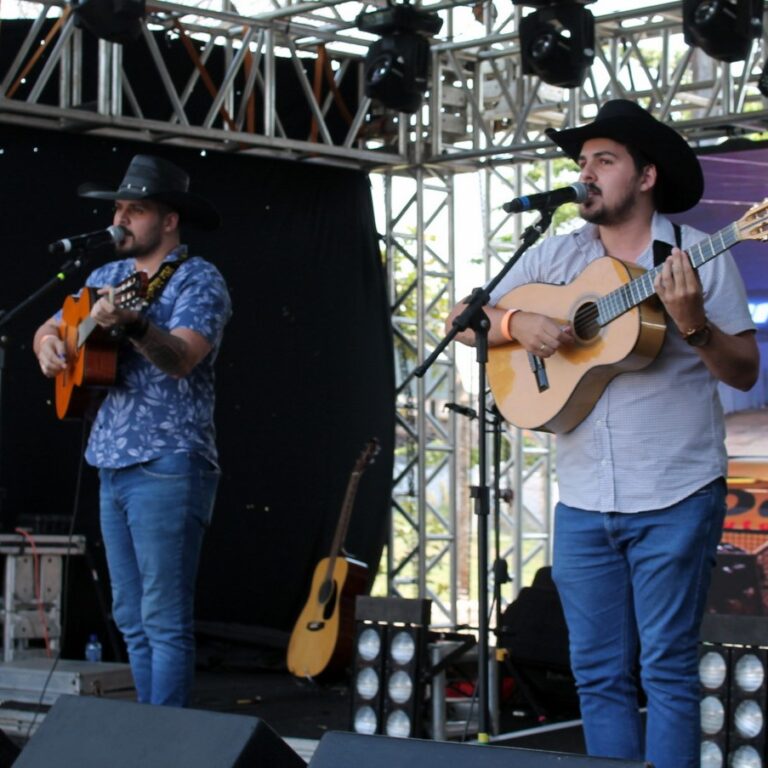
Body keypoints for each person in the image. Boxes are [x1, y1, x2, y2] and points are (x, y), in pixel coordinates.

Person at [446, 100, 759, 768]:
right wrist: (513, 326)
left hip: (675, 490)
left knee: (668, 673)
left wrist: (694, 324)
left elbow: (743, 371)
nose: (586, 173)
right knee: (596, 674)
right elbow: (463, 315)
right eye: (582, 162)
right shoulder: (556, 256)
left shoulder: (697, 260)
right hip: (584, 495)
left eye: (604, 161)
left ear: (646, 177)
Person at [33, 154, 232, 708]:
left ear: (169, 220)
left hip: (169, 461)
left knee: (162, 615)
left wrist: (139, 323)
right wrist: (50, 346)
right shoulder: (103, 277)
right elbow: (50, 326)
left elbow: (182, 359)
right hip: (110, 463)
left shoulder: (198, 279)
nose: (121, 219)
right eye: (119, 208)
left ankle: (165, 741)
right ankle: (149, 727)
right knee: (130, 615)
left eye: (135, 210)